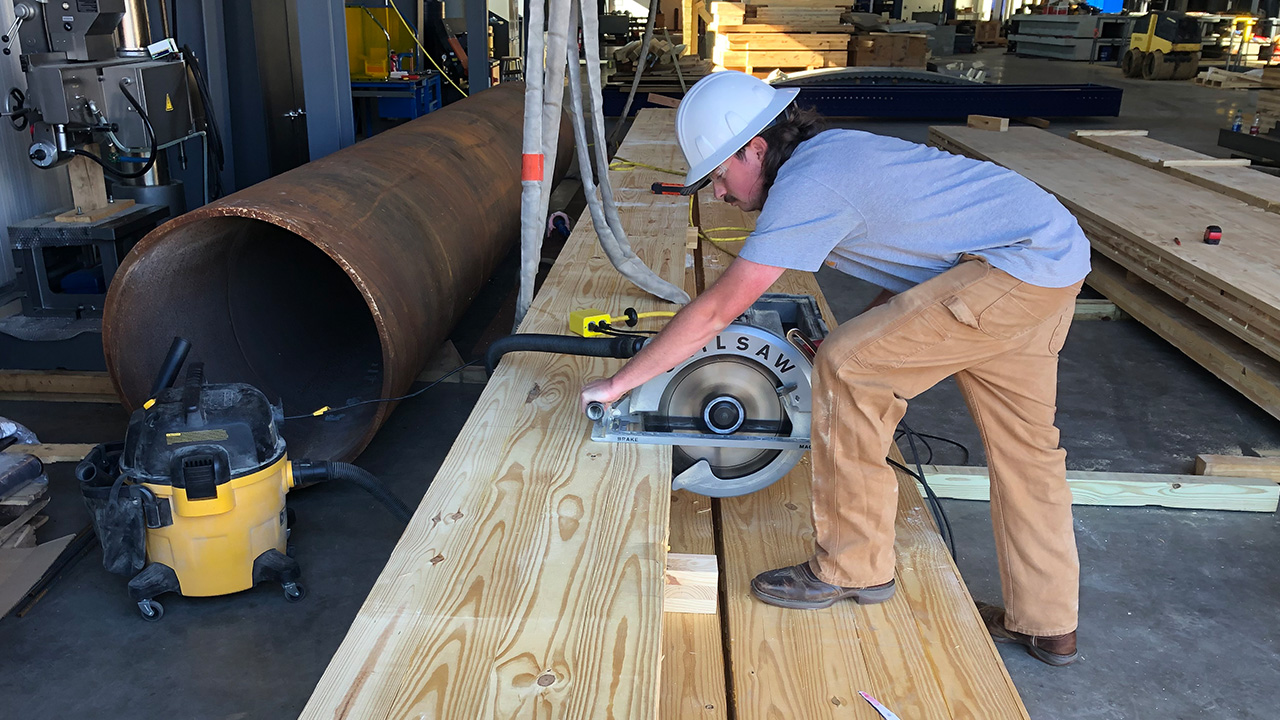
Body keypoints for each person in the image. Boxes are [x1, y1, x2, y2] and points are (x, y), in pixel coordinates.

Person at [579, 70, 1090, 667]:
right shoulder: (837, 155)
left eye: (719, 175)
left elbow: (719, 308)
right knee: (1027, 452)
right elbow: (924, 274)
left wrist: (622, 382)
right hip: (1050, 260)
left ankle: (853, 566)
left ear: (756, 149)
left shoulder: (808, 183)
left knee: (849, 369)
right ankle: (1050, 623)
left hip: (1011, 268)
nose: (719, 193)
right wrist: (865, 330)